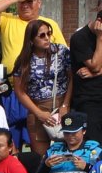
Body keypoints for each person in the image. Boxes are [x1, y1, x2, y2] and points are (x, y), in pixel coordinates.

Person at [13, 19, 73, 157]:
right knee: (41, 157)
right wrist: (38, 113)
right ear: (31, 40)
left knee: (68, 152)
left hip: (61, 105)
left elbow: (71, 78)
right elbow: (19, 90)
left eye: (49, 33)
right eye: (41, 35)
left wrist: (65, 105)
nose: (47, 38)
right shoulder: (23, 60)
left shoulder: (61, 51)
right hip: (37, 109)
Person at [0, 0, 66, 73]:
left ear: (39, 3)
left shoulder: (50, 24)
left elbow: (63, 53)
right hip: (11, 81)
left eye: (30, 1)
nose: (25, 5)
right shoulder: (8, 20)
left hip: (43, 82)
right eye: (22, 1)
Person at [70, 0, 102, 142]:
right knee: (94, 144)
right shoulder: (80, 37)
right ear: (98, 8)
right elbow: (94, 65)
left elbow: (96, 69)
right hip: (89, 100)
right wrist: (100, 38)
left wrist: (98, 72)